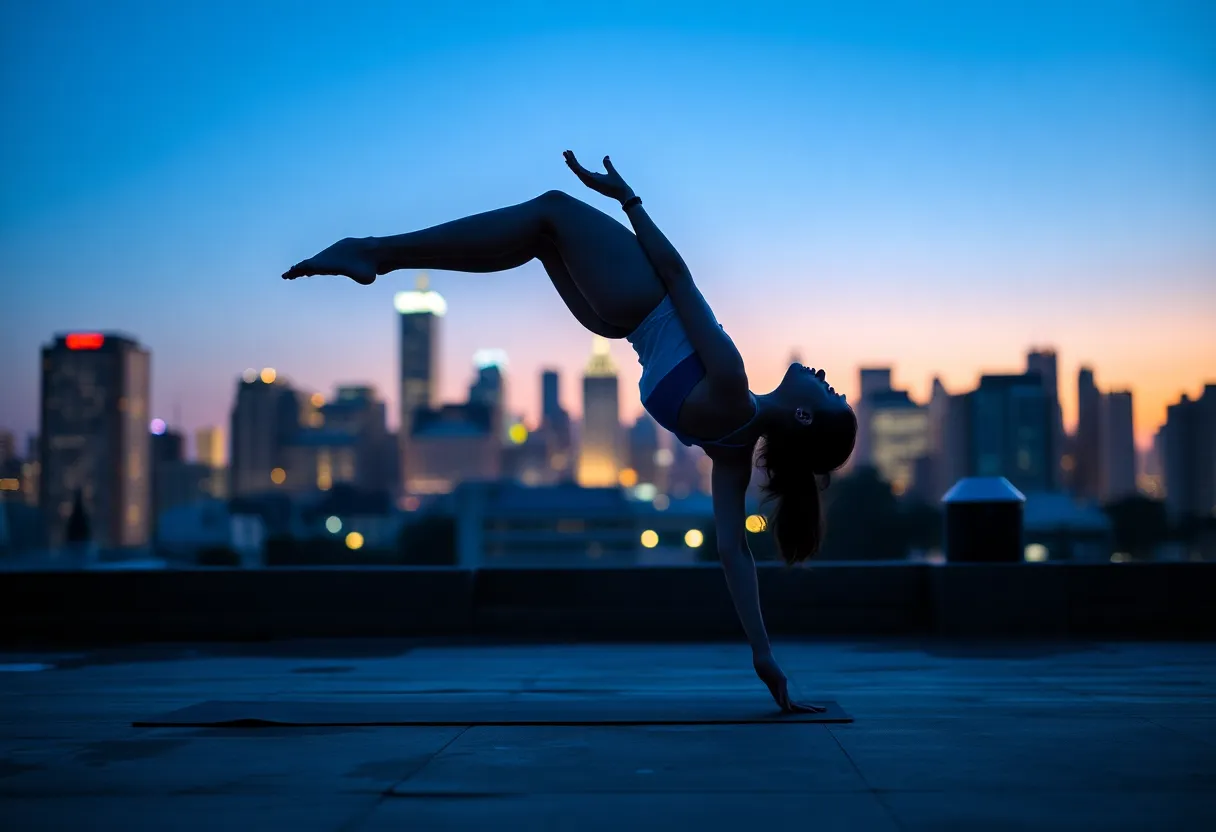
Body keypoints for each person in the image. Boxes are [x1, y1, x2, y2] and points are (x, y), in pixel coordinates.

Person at [283, 152, 857, 712]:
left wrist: (629, 200)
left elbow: (677, 274)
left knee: (553, 209)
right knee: (538, 234)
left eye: (830, 393)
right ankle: (376, 256)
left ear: (804, 418)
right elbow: (734, 553)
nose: (827, 378)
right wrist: (763, 656)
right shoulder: (729, 450)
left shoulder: (732, 382)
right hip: (619, 324)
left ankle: (375, 253)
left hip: (637, 303)